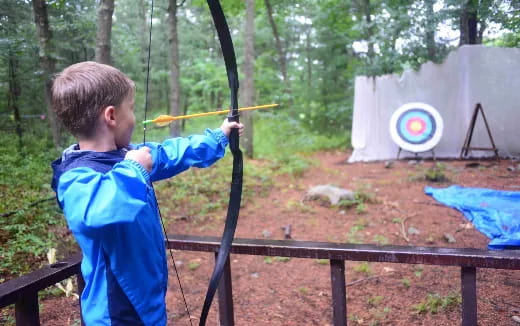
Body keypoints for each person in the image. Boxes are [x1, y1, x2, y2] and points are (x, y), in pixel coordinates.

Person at [50, 61, 243, 325]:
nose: (135, 117)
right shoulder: (78, 175)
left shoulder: (124, 157)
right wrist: (133, 168)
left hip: (146, 302)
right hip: (117, 313)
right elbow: (96, 212)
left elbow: (169, 153)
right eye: (131, 109)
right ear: (111, 116)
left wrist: (218, 136)